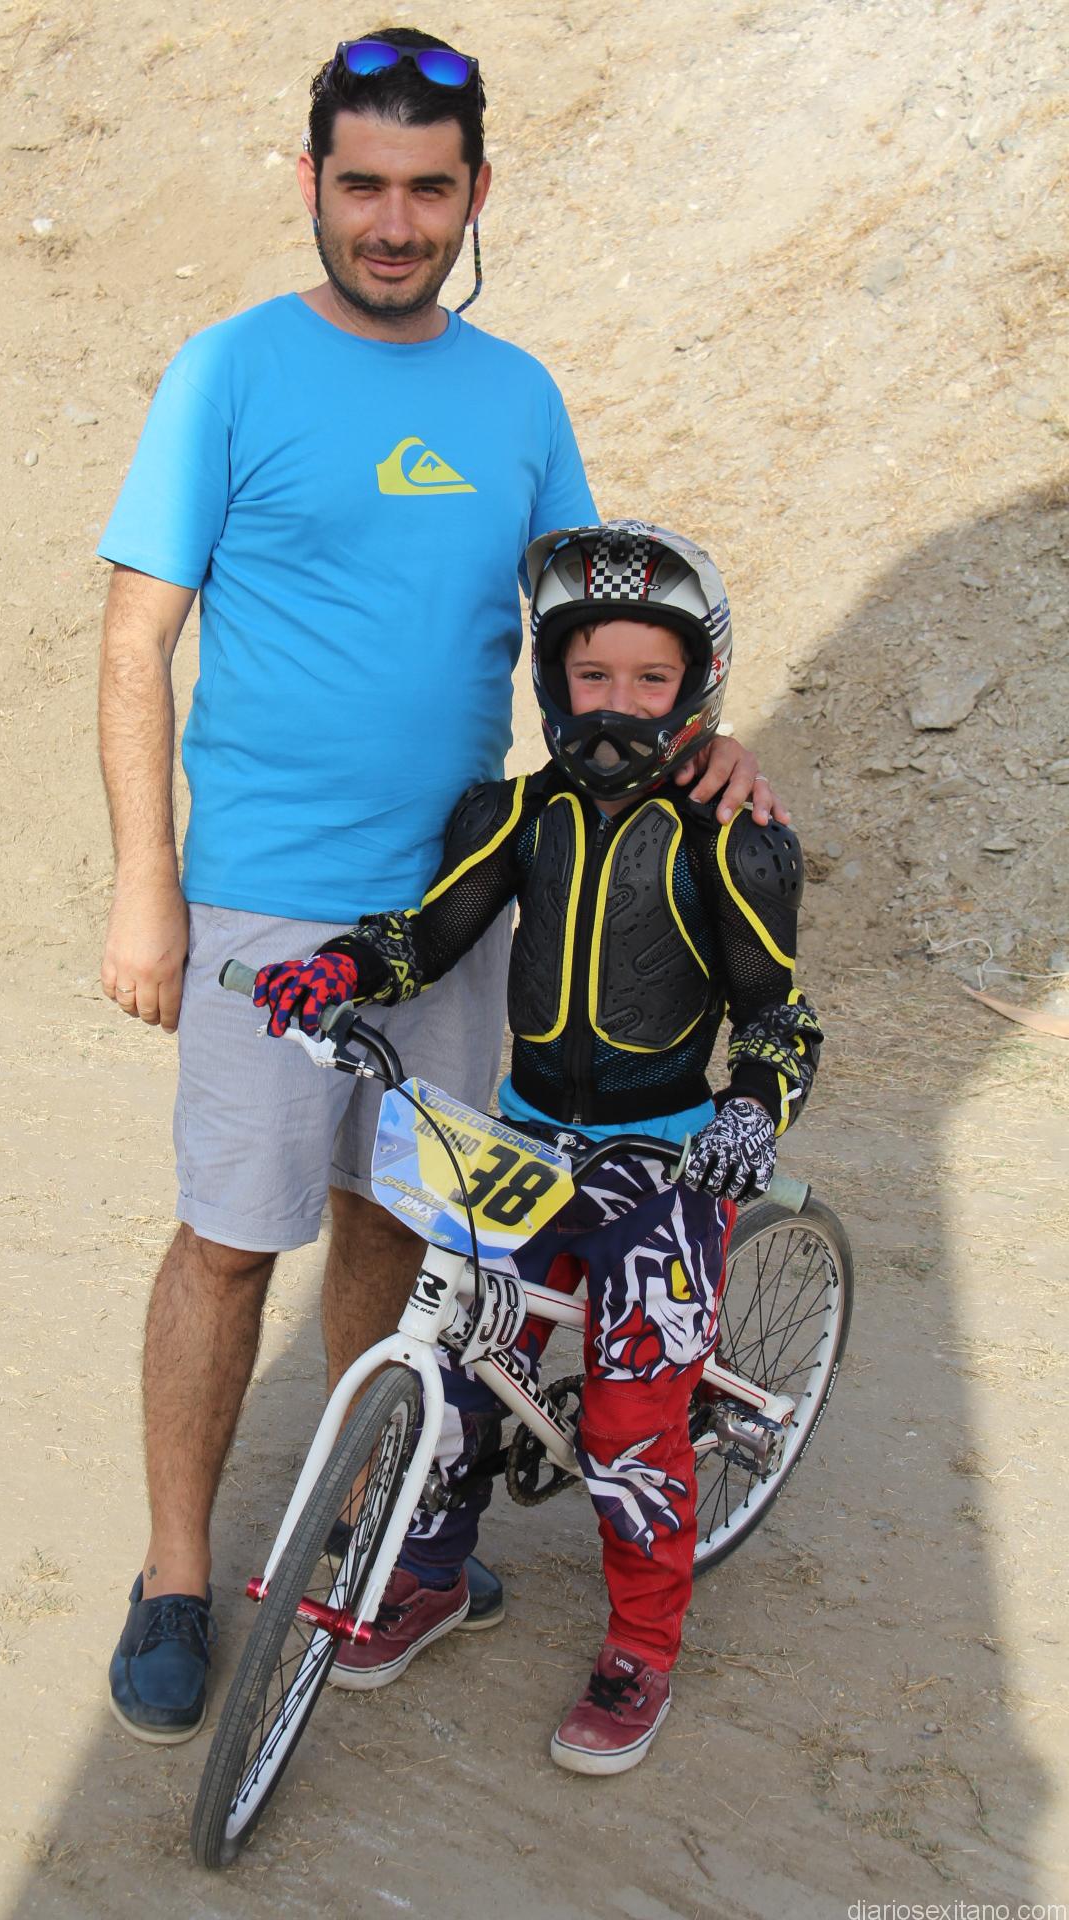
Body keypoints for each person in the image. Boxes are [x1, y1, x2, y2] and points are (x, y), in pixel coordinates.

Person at [97, 28, 785, 1745]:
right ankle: (175, 1574)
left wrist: (717, 748)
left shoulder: (518, 398)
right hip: (270, 896)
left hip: (473, 906)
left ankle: (370, 1523)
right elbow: (133, 640)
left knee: (403, 1231)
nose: (392, 223)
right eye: (362, 185)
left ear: (476, 193)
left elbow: (602, 629)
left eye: (426, 188)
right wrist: (146, 886)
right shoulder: (230, 372)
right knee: (230, 1243)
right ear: (312, 183)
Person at [253, 520, 822, 1774]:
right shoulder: (513, 813)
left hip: (665, 1160)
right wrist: (335, 971)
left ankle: (641, 1646)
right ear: (551, 677)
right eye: (589, 672)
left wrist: (748, 1113)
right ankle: (432, 1577)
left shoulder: (733, 839)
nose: (614, 703)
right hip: (523, 1143)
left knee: (629, 1422)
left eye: (649, 679)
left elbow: (778, 1021)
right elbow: (425, 935)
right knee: (456, 1362)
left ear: (697, 684)